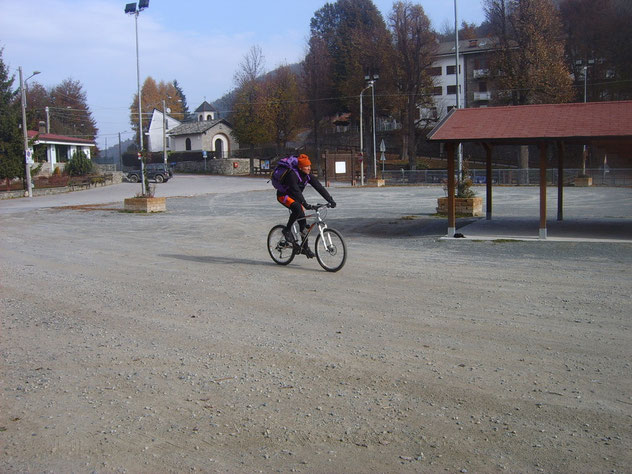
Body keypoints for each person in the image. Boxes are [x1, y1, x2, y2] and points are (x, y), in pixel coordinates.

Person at [276, 154, 336, 258]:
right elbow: (295, 190)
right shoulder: (292, 175)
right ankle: (286, 229)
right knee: (297, 208)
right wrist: (304, 204)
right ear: (300, 167)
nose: (309, 168)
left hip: (296, 198)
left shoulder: (308, 176)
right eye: (306, 166)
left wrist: (330, 200)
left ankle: (305, 248)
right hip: (284, 196)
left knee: (303, 224)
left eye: (309, 166)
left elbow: (319, 187)